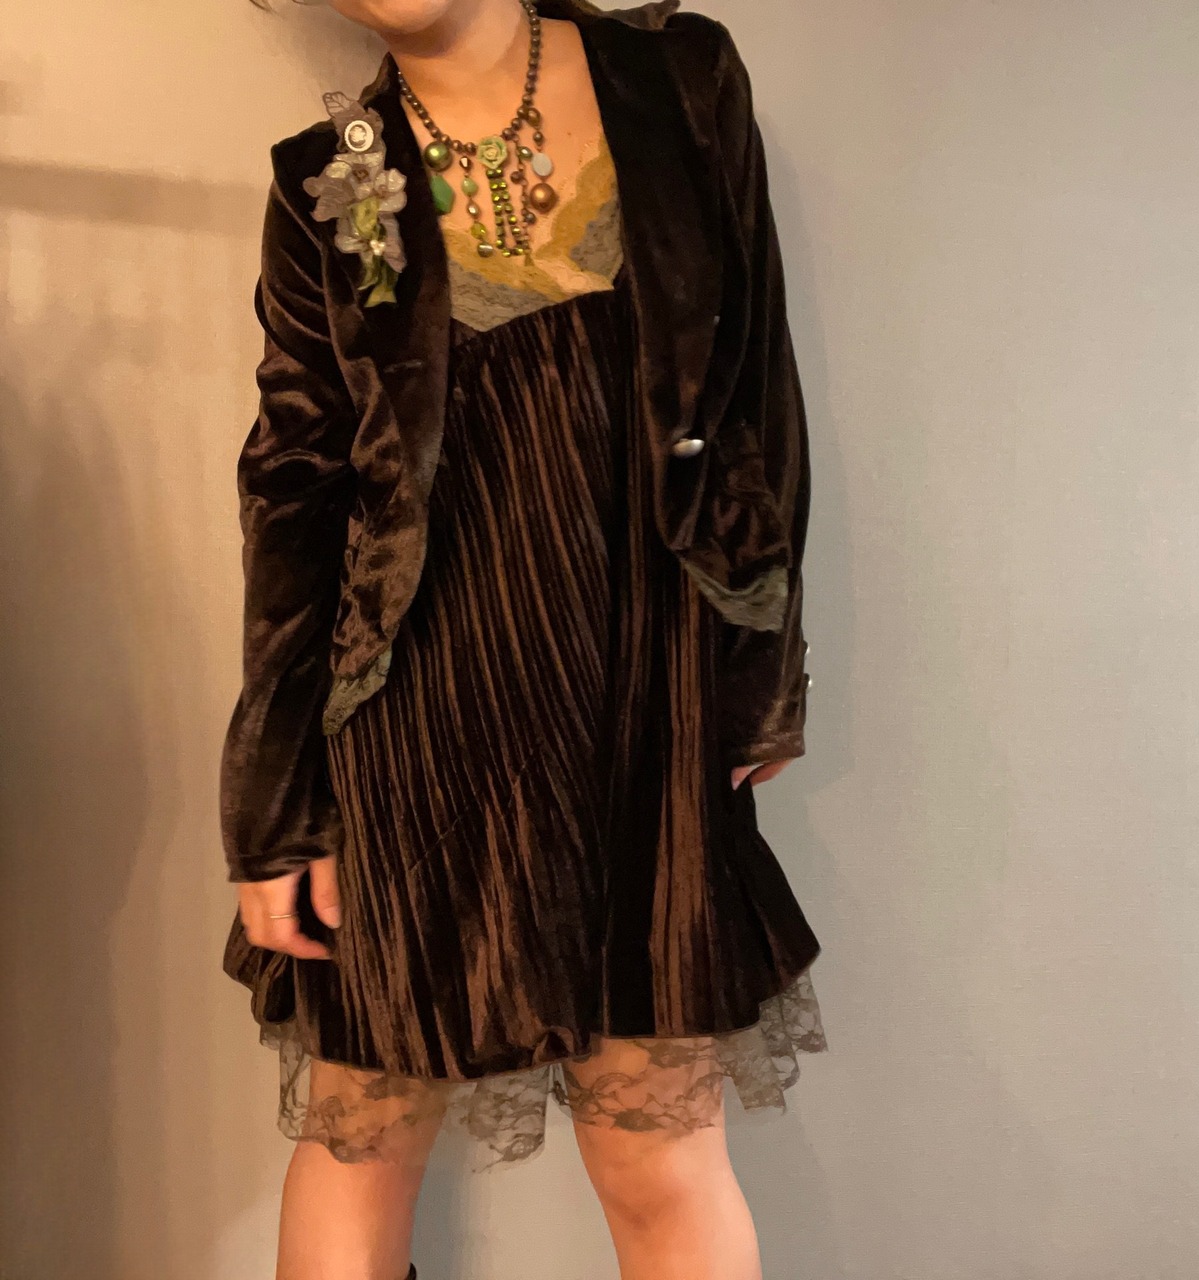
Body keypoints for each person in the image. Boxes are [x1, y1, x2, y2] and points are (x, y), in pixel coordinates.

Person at [220, 0, 827, 1276]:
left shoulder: (677, 78)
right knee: (361, 1141)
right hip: (409, 718)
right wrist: (272, 805)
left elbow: (754, 388)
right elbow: (293, 490)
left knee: (659, 1157)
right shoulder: (325, 184)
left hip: (642, 700)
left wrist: (762, 662)